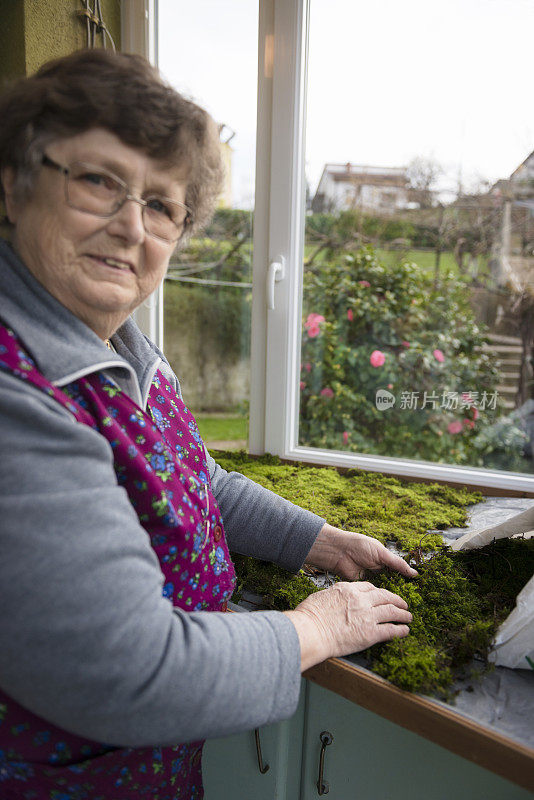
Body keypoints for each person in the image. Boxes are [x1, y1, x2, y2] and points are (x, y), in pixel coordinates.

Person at [0, 49, 415, 799]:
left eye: (161, 204)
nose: (132, 226)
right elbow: (132, 674)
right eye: (99, 181)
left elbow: (192, 478)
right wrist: (318, 627)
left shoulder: (116, 345)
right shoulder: (16, 392)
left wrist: (319, 541)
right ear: (14, 184)